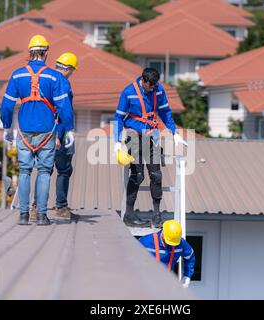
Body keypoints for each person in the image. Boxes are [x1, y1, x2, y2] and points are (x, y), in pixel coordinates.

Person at [1, 34, 74, 226]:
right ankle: (41, 215)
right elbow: (64, 106)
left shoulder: (17, 75)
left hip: (24, 130)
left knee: (24, 171)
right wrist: (69, 130)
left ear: (29, 52)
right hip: (47, 131)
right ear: (46, 52)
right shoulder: (55, 76)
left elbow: (7, 105)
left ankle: (24, 215)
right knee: (43, 171)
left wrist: (6, 126)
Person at [113, 67, 187, 228]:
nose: (153, 88)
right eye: (150, 86)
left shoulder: (158, 90)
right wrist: (117, 142)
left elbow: (165, 112)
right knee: (138, 175)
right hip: (134, 134)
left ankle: (156, 215)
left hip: (151, 134)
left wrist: (174, 133)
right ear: (143, 81)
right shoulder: (128, 92)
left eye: (155, 86)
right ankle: (129, 215)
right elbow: (118, 117)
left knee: (156, 175)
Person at [29, 52, 79, 221]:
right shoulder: (63, 82)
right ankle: (61, 207)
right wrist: (66, 131)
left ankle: (35, 208)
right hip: (60, 131)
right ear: (69, 68)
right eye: (72, 70)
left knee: (44, 169)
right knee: (64, 169)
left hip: (44, 130)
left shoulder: (46, 78)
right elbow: (63, 110)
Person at [139, 220, 195, 288]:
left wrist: (187, 276)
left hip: (166, 284)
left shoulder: (181, 243)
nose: (170, 244)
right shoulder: (145, 242)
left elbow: (190, 257)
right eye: (169, 241)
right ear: (163, 232)